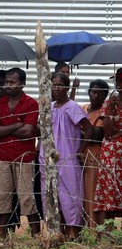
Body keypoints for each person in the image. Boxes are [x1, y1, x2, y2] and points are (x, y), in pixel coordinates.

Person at [0, 67, 40, 237]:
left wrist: (5, 129)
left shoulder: (31, 103)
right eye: (7, 82)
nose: (8, 85)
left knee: (27, 197)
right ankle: (2, 234)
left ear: (22, 84)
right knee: (1, 196)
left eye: (12, 82)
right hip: (3, 156)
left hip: (24, 157)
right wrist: (17, 125)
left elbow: (28, 131)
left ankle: (35, 234)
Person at [41, 72, 92, 239]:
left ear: (67, 87)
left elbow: (88, 129)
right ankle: (58, 231)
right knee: (51, 193)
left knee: (70, 194)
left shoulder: (72, 107)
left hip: (67, 156)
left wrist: (81, 150)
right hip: (49, 156)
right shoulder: (49, 106)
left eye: (59, 85)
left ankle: (73, 231)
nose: (56, 88)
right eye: (53, 85)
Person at [95, 69, 122, 226]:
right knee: (109, 189)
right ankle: (106, 231)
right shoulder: (109, 103)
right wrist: (111, 110)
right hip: (112, 153)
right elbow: (109, 133)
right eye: (117, 80)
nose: (119, 83)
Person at [81, 79, 108, 228]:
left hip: (94, 155)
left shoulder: (104, 112)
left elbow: (96, 136)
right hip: (79, 154)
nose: (96, 96)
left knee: (91, 192)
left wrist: (80, 131)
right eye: (93, 92)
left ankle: (92, 229)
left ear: (105, 96)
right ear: (89, 92)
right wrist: (87, 131)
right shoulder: (83, 108)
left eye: (100, 93)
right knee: (79, 192)